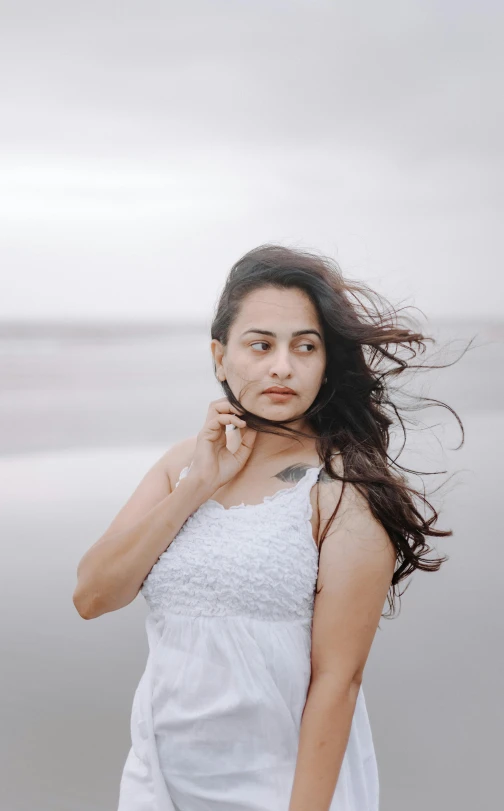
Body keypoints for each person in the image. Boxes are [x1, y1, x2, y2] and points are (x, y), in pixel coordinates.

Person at [73, 244, 466, 811]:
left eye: (305, 347)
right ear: (219, 356)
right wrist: (196, 486)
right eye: (261, 344)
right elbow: (92, 595)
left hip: (279, 786)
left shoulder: (343, 491)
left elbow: (338, 682)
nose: (282, 365)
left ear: (325, 362)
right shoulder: (181, 464)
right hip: (157, 780)